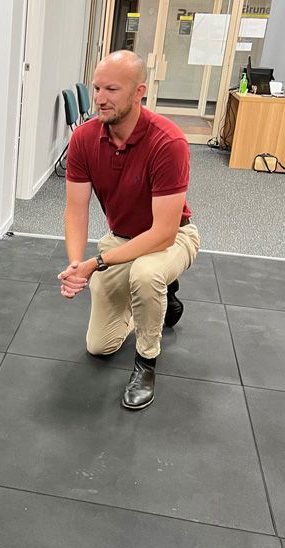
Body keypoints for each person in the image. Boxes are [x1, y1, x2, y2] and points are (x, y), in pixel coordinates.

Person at [58, 50, 200, 410]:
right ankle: (157, 298)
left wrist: (97, 263)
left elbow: (163, 234)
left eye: (112, 89)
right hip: (121, 238)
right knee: (99, 346)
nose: (100, 98)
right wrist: (77, 265)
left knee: (145, 272)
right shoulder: (85, 139)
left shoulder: (168, 142)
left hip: (173, 237)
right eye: (97, 88)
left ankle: (146, 362)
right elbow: (76, 210)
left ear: (139, 92)